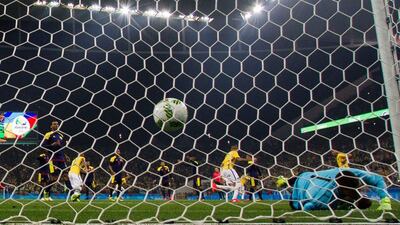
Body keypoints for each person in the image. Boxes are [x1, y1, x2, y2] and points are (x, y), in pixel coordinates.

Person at [276, 167, 392, 211]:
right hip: (302, 184)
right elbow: (308, 207)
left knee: (304, 176)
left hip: (313, 175)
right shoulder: (321, 199)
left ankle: (286, 181)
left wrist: (385, 199)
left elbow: (377, 179)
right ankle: (285, 183)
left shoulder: (352, 172)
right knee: (295, 188)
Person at [43, 121, 70, 190]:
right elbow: (43, 146)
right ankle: (45, 193)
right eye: (54, 124)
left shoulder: (61, 135)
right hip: (53, 158)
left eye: (57, 124)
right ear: (51, 126)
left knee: (66, 176)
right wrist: (52, 145)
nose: (56, 125)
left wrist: (65, 155)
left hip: (61, 158)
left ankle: (73, 194)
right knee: (54, 178)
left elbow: (61, 147)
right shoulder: (48, 134)